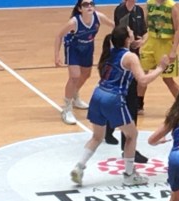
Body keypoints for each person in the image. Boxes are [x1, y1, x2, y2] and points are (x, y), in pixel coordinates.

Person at [69, 25, 170, 187]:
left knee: (97, 137)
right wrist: (160, 68)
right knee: (132, 135)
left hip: (98, 94)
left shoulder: (110, 51)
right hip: (113, 98)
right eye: (130, 32)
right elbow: (143, 80)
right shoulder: (130, 57)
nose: (133, 32)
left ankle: (79, 167)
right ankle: (129, 175)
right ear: (127, 39)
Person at [105, 0, 149, 163]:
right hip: (123, 62)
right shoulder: (121, 10)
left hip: (133, 59)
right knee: (127, 105)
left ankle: (111, 132)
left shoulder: (139, 11)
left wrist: (142, 41)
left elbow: (145, 32)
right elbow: (132, 0)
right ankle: (127, 147)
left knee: (125, 103)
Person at [55, 0, 115, 125]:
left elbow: (115, 26)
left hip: (88, 47)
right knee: (74, 76)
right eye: (85, 4)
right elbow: (59, 35)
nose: (89, 6)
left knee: (86, 74)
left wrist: (127, 33)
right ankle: (67, 108)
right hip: (74, 48)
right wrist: (57, 56)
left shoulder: (99, 17)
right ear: (80, 8)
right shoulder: (74, 22)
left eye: (91, 4)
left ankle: (75, 95)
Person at [137, 0, 179, 113]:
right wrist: (142, 40)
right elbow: (146, 25)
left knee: (168, 79)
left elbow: (178, 29)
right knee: (142, 74)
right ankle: (138, 104)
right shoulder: (149, 3)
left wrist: (173, 50)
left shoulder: (171, 5)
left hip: (165, 45)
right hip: (150, 42)